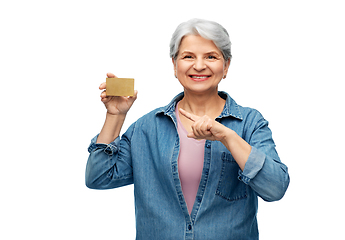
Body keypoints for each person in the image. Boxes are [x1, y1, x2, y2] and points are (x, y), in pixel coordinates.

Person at [86, 18, 290, 240]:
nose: (199, 66)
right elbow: (98, 177)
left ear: (226, 66)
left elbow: (275, 188)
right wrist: (115, 116)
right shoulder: (147, 128)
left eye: (211, 57)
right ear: (174, 65)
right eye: (188, 56)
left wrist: (228, 137)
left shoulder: (249, 123)